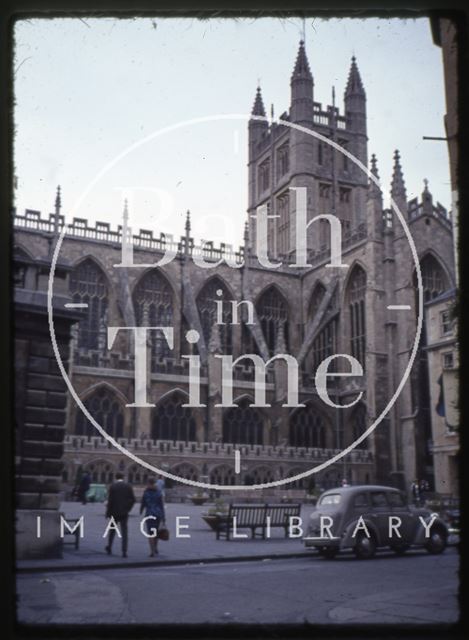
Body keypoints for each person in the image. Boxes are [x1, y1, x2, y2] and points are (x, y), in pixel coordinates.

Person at [105, 472, 136, 558]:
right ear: (123, 477)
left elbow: (110, 501)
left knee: (112, 531)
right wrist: (128, 509)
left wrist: (107, 512)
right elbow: (133, 499)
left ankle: (109, 547)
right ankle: (124, 551)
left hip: (114, 512)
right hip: (124, 513)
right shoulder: (128, 486)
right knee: (124, 532)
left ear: (115, 477)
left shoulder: (113, 486)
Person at [140, 476, 166, 557]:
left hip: (149, 513)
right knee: (156, 532)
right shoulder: (158, 492)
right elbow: (161, 505)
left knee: (150, 533)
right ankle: (155, 548)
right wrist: (163, 517)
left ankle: (152, 551)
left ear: (148, 482)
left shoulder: (146, 492)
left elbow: (143, 503)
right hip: (157, 513)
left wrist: (141, 510)